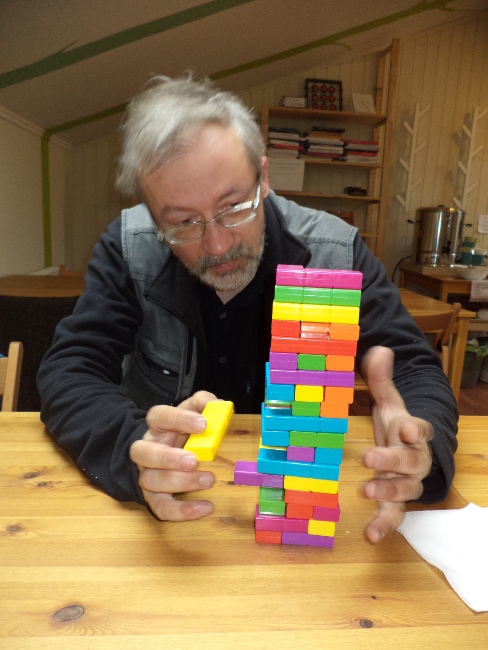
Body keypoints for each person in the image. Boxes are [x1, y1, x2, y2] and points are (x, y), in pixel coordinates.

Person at [37, 76, 458, 544]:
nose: (218, 245)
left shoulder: (335, 250)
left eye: (234, 205)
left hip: (298, 509)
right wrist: (132, 448)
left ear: (264, 177)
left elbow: (414, 370)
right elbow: (70, 369)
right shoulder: (128, 246)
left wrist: (419, 449)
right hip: (167, 521)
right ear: (152, 217)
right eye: (183, 223)